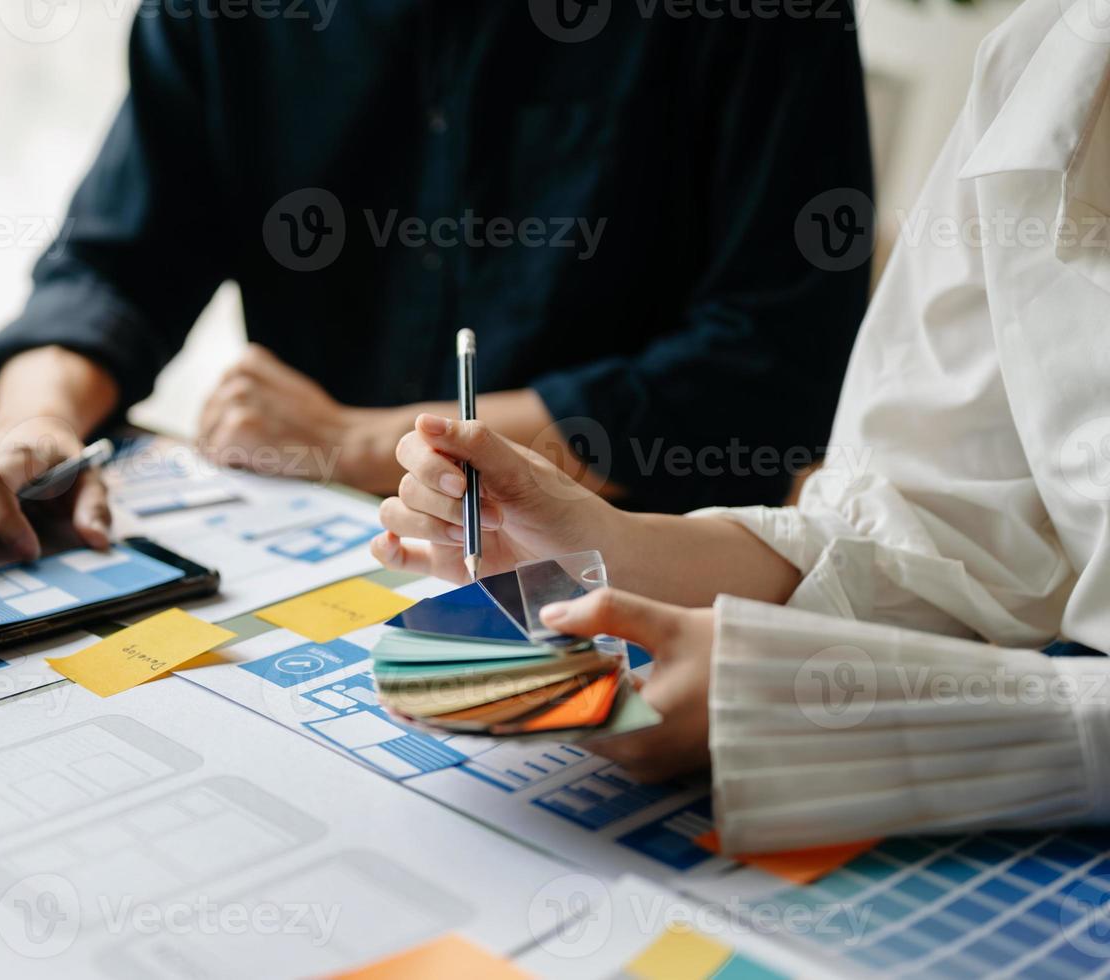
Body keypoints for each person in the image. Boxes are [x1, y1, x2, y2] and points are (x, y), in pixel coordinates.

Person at [373, 0, 1110, 855]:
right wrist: (607, 544)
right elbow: (935, 523)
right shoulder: (1042, 56)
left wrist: (842, 704)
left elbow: (772, 354)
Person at [0, 3, 873, 589]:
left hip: (655, 576)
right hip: (317, 563)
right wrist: (31, 427)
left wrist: (356, 440)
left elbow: (774, 359)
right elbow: (112, 266)